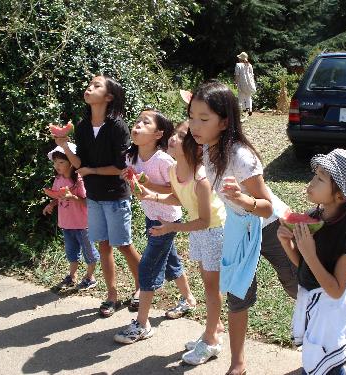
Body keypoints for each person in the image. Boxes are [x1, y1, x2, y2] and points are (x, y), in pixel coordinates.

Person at [183, 80, 273, 375]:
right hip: (239, 226)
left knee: (299, 286)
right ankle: (238, 363)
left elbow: (267, 207)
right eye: (191, 116)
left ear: (224, 122)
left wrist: (243, 199)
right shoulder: (208, 147)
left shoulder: (240, 156)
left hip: (269, 229)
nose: (195, 125)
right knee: (237, 295)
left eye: (203, 119)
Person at [277, 149, 346, 375]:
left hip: (331, 309)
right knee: (316, 352)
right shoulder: (316, 215)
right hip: (313, 302)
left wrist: (309, 254)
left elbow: (336, 290)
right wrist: (287, 244)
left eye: (320, 178)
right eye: (315, 175)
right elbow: (303, 263)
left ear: (341, 195)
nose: (311, 183)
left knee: (331, 359)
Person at [138, 120, 226, 365]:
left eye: (180, 136)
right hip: (200, 231)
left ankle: (211, 340)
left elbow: (205, 220)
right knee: (207, 284)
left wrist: (172, 227)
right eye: (174, 134)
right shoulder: (173, 170)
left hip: (214, 231)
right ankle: (215, 328)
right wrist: (151, 194)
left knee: (211, 288)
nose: (173, 139)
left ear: (196, 147)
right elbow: (178, 197)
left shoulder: (201, 179)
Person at [54, 75, 141, 318]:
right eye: (89, 85)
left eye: (96, 86)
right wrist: (64, 145)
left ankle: (140, 288)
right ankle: (111, 294)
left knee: (123, 245)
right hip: (93, 195)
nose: (89, 88)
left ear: (109, 96)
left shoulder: (117, 126)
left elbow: (120, 166)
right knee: (103, 246)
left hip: (115, 195)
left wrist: (91, 170)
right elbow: (79, 163)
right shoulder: (82, 127)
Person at [113, 109, 196, 344]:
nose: (137, 125)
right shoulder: (131, 158)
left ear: (158, 134)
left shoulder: (163, 160)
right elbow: (137, 187)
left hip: (168, 220)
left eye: (145, 122)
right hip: (152, 216)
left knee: (147, 267)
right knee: (171, 262)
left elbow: (177, 193)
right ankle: (188, 299)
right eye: (137, 121)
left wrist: (149, 185)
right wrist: (129, 178)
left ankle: (142, 324)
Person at [42, 143, 100, 290]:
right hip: (66, 224)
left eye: (61, 162)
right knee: (71, 253)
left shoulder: (79, 180)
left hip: (82, 225)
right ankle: (72, 276)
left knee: (90, 255)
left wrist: (72, 197)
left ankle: (90, 277)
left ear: (71, 163)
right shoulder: (58, 180)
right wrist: (51, 204)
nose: (57, 165)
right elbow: (57, 196)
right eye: (55, 162)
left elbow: (88, 202)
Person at [234, 52, 256, 116]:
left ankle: (241, 111)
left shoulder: (238, 65)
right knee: (248, 97)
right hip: (249, 83)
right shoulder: (249, 65)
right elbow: (252, 75)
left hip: (241, 83)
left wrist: (235, 83)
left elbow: (237, 75)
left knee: (240, 97)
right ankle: (250, 109)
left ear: (240, 58)